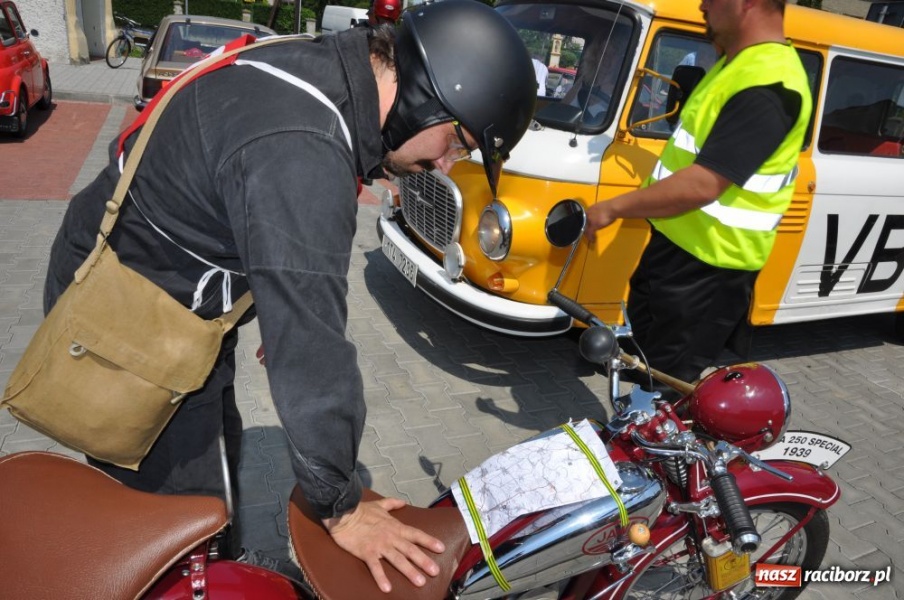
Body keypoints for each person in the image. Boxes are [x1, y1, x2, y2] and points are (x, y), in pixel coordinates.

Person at [43, 0, 536, 593]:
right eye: (458, 140)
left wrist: (277, 305)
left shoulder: (324, 68)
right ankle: (196, 580)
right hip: (128, 312)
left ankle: (220, 554)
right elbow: (313, 354)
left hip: (163, 279)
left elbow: (253, 214)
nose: (450, 163)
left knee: (215, 444)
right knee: (180, 515)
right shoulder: (303, 151)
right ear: (424, 98)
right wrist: (342, 507)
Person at [584, 0, 812, 397]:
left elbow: (705, 183)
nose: (703, 5)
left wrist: (612, 208)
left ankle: (654, 454)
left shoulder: (770, 83)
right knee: (648, 373)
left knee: (663, 393)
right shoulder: (736, 65)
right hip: (678, 252)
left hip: (709, 267)